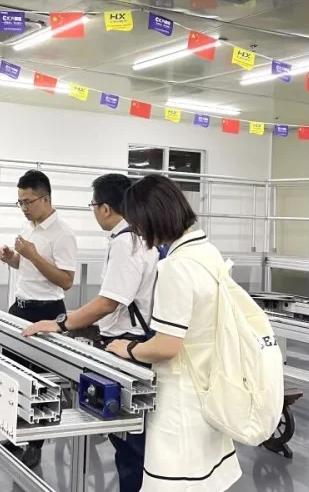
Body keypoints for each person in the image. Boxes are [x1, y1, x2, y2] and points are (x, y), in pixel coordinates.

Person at [22, 173, 158, 492]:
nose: (94, 210)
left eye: (93, 205)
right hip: (131, 338)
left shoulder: (126, 242)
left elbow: (109, 302)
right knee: (131, 437)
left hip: (128, 346)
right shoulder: (139, 235)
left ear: (105, 208)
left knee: (130, 439)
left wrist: (62, 322)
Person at [106, 174, 242, 492]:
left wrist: (127, 349)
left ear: (153, 217)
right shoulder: (207, 252)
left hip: (180, 401)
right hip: (208, 390)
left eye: (139, 224)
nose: (139, 233)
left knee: (174, 481)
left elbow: (167, 346)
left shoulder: (176, 266)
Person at [0, 169, 78, 468]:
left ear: (46, 198)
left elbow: (66, 281)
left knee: (41, 381)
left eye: (28, 202)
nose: (24, 207)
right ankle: (16, 433)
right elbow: (27, 267)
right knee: (14, 375)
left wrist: (33, 255)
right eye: (20, 202)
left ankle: (36, 443)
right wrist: (13, 259)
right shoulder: (28, 226)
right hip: (20, 307)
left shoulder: (63, 234)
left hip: (47, 311)